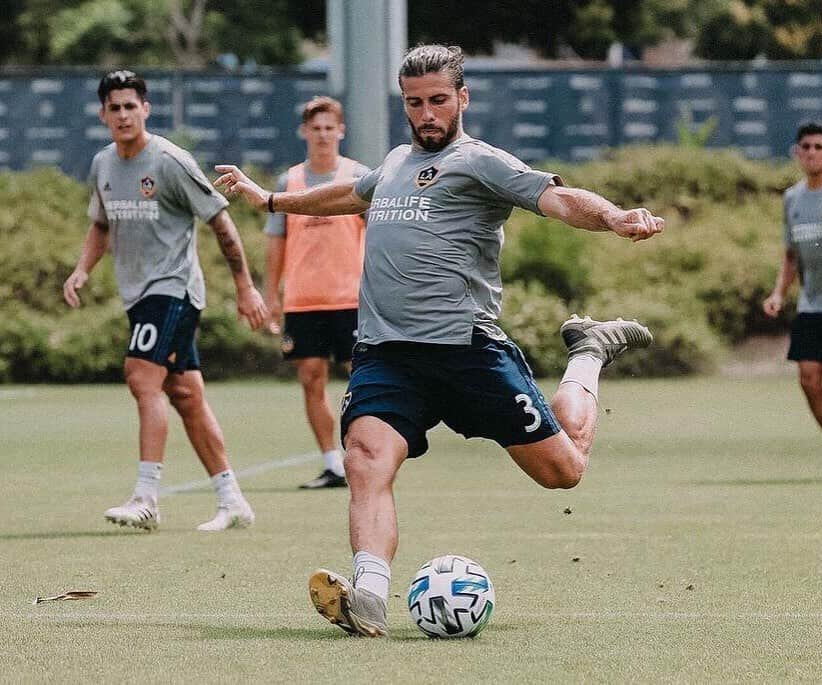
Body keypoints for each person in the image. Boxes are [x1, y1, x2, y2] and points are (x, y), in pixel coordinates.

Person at [215, 44, 663, 636]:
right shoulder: (397, 161)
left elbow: (558, 198)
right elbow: (351, 194)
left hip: (467, 351)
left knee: (563, 472)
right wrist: (270, 199)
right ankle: (370, 593)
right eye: (414, 102)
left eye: (437, 101)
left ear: (462, 99)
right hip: (386, 352)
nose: (425, 113)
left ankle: (587, 351)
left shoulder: (482, 162)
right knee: (365, 457)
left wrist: (612, 216)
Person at [63, 70, 268, 532]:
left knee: (140, 376)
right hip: (138, 295)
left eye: (130, 106)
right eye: (113, 107)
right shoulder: (103, 164)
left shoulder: (171, 161)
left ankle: (146, 497)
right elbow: (100, 224)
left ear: (146, 109)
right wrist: (82, 269)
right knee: (185, 394)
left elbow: (221, 222)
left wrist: (245, 287)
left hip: (174, 288)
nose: (122, 114)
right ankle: (232, 499)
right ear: (103, 114)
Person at [264, 96, 368, 489]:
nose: (323, 135)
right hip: (304, 299)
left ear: (340, 131)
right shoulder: (287, 183)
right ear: (304, 132)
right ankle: (332, 464)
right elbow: (275, 244)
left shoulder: (359, 177)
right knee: (311, 378)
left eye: (330, 127)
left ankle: (366, 454)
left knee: (363, 378)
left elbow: (378, 236)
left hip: (352, 299)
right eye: (316, 128)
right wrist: (270, 295)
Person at [763, 121, 822, 480]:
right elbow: (792, 255)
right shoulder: (792, 198)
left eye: (819, 146)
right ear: (797, 153)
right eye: (805, 146)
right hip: (814, 305)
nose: (811, 153)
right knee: (809, 380)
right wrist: (779, 292)